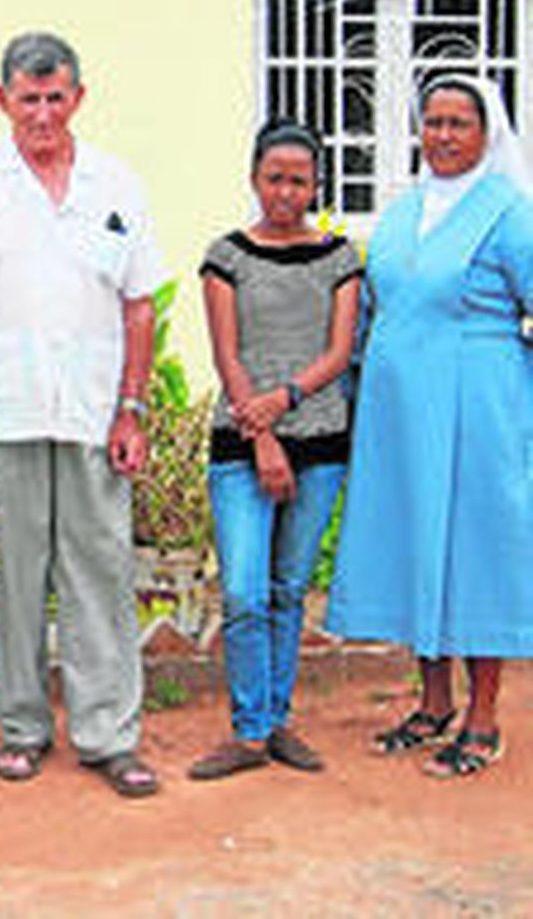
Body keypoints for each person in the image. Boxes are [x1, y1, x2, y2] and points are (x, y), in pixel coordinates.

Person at [0, 31, 164, 799]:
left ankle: (109, 736)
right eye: (29, 99)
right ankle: (22, 729)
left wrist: (131, 409)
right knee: (16, 579)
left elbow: (140, 306)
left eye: (57, 98)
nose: (44, 113)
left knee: (101, 573)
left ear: (78, 98)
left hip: (93, 413)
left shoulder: (116, 183)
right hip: (4, 413)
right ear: (3, 100)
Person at [327, 73, 533, 779]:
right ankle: (434, 702)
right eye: (433, 122)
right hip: (401, 409)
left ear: (487, 133)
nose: (442, 136)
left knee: (477, 550)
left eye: (458, 123)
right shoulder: (402, 211)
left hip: (478, 406)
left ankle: (484, 716)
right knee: (418, 540)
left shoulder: (510, 212)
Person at [188, 123, 361, 781]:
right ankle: (248, 730)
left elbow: (339, 354)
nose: (285, 192)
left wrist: (284, 400)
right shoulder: (226, 256)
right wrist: (262, 437)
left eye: (299, 180)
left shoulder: (340, 259)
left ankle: (276, 721)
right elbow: (227, 354)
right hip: (242, 443)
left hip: (320, 443)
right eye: (274, 178)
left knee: (289, 588)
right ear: (254, 179)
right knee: (243, 591)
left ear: (316, 185)